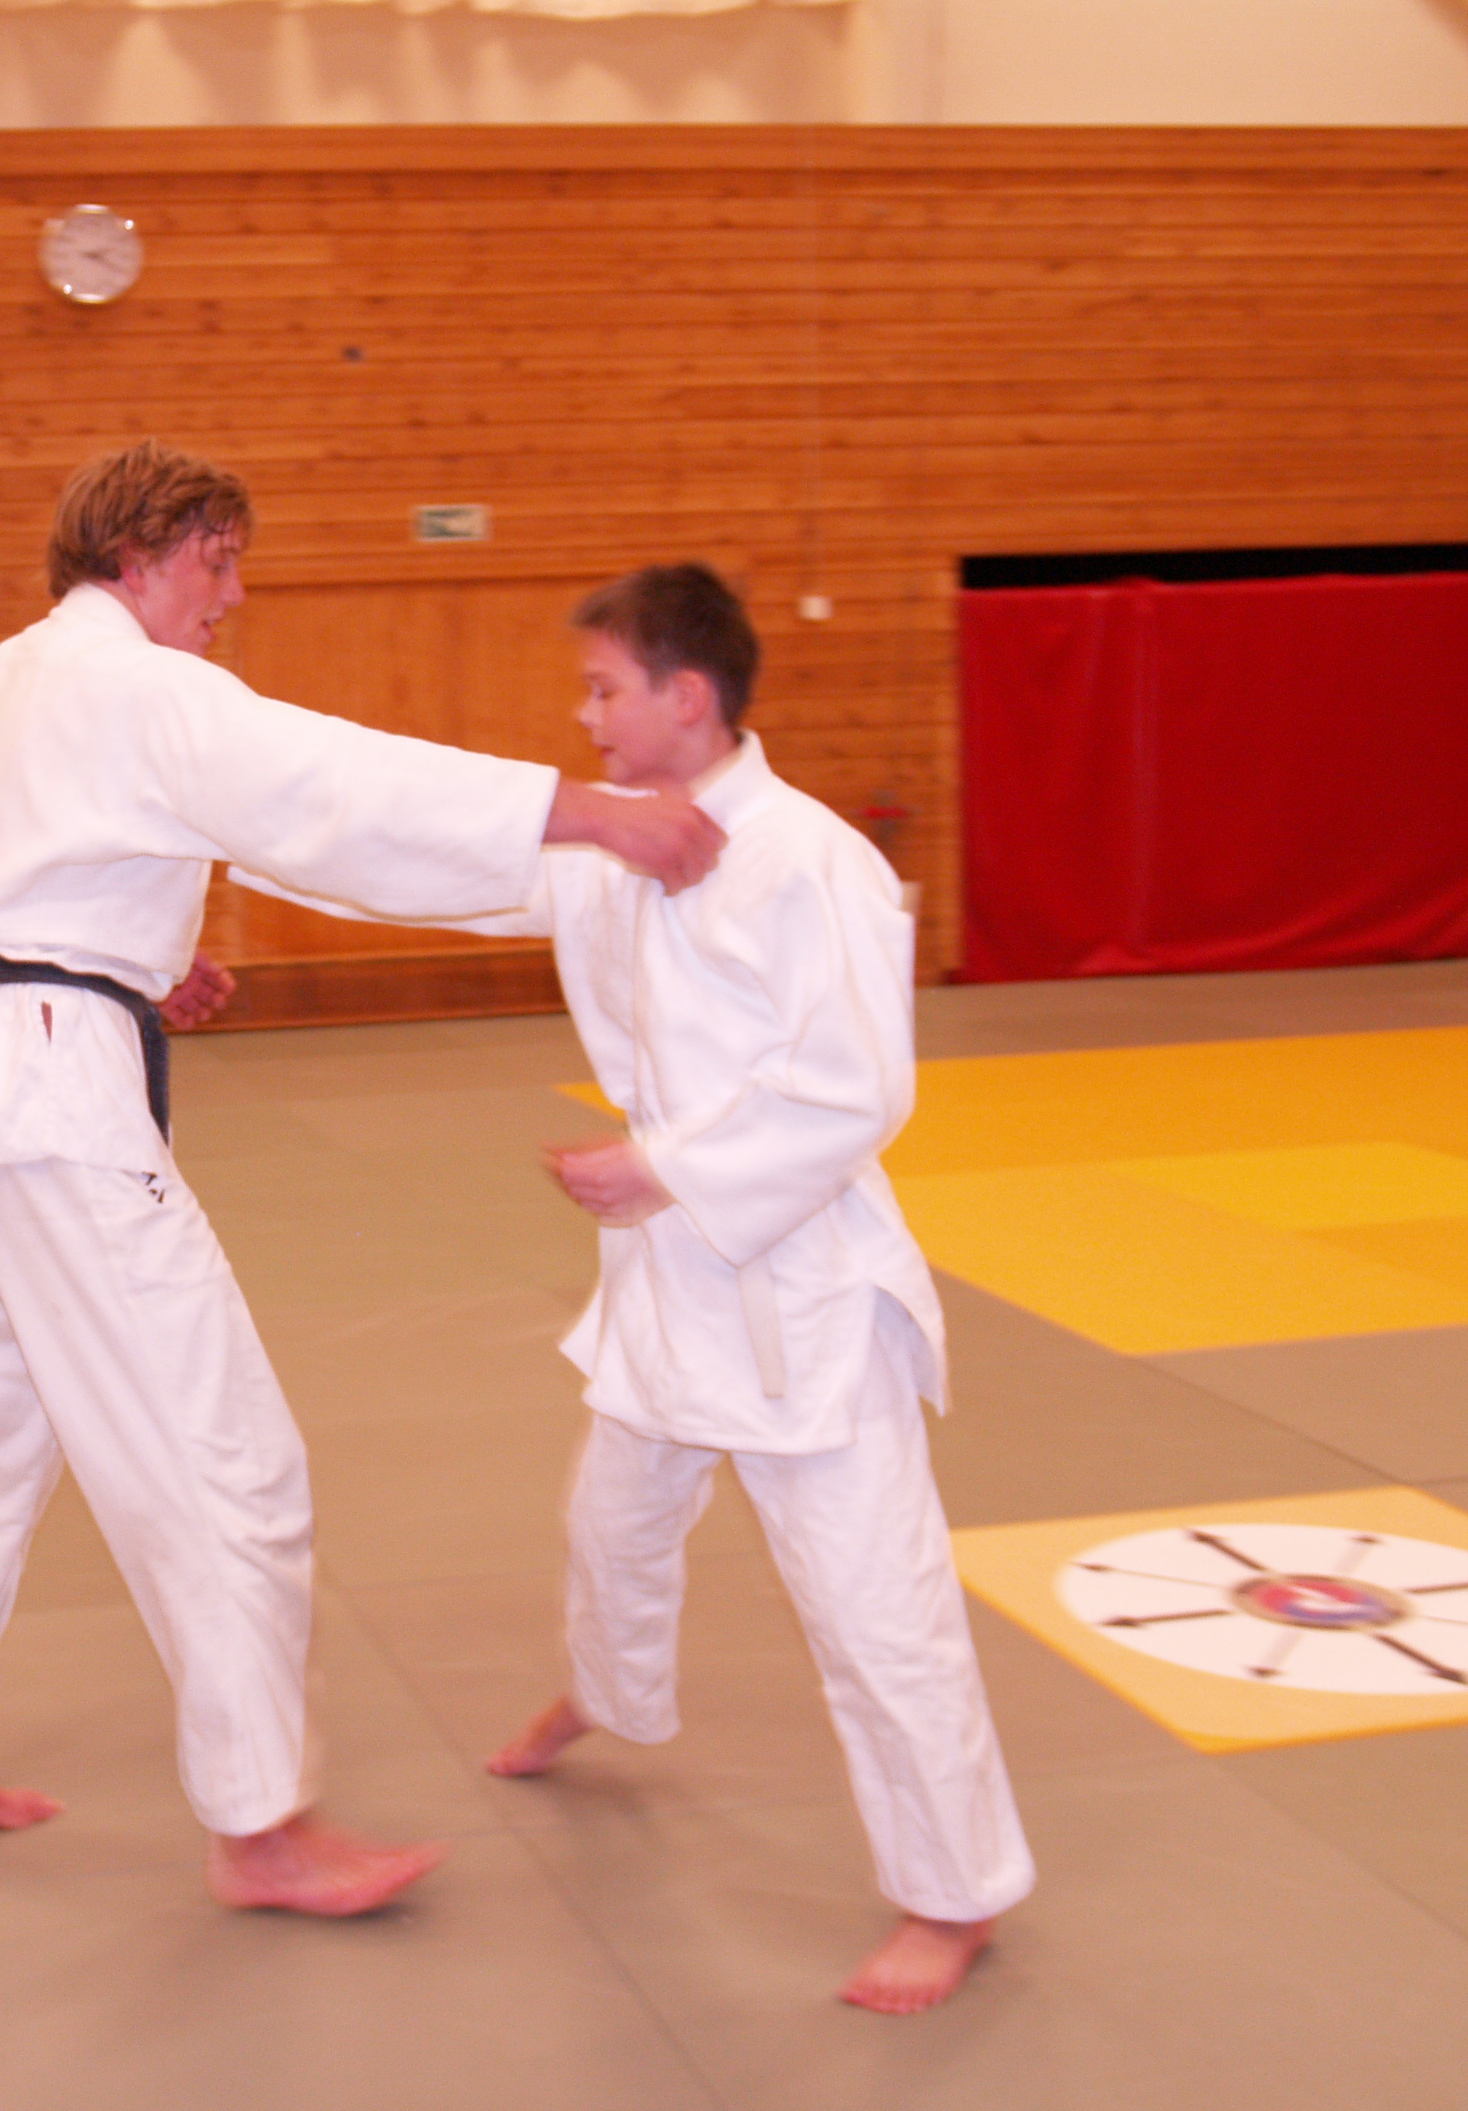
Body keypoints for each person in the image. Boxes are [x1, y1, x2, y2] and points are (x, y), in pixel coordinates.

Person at [0, 443, 724, 1917]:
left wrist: (136, 956)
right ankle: (263, 1830)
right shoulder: (137, 687)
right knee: (223, 1459)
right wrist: (586, 812)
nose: (232, 595)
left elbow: (22, 857)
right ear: (140, 555)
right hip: (50, 1103)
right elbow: (332, 790)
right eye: (219, 562)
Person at [399, 562, 1031, 2011]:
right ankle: (608, 1695)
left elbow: (857, 1089)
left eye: (605, 690)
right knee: (612, 1524)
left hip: (801, 1290)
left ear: (688, 697)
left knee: (873, 1609)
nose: (586, 716)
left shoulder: (810, 861)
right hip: (669, 1282)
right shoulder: (613, 842)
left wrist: (664, 1166)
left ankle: (954, 1895)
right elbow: (443, 862)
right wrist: (225, 831)